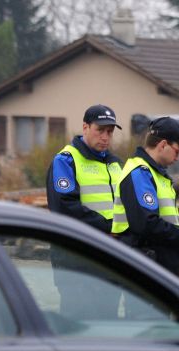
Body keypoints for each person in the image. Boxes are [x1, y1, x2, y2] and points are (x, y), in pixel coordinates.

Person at [46, 103, 124, 319]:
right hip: (76, 257)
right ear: (85, 127)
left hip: (110, 257)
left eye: (109, 132)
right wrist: (108, 227)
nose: (105, 137)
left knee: (107, 323)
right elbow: (65, 207)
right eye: (100, 130)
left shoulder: (116, 164)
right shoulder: (66, 160)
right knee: (78, 324)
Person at [112, 116, 179, 277]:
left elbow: (164, 220)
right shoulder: (140, 173)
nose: (177, 157)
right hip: (145, 268)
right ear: (163, 144)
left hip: (157, 266)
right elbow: (146, 223)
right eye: (177, 151)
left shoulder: (155, 174)